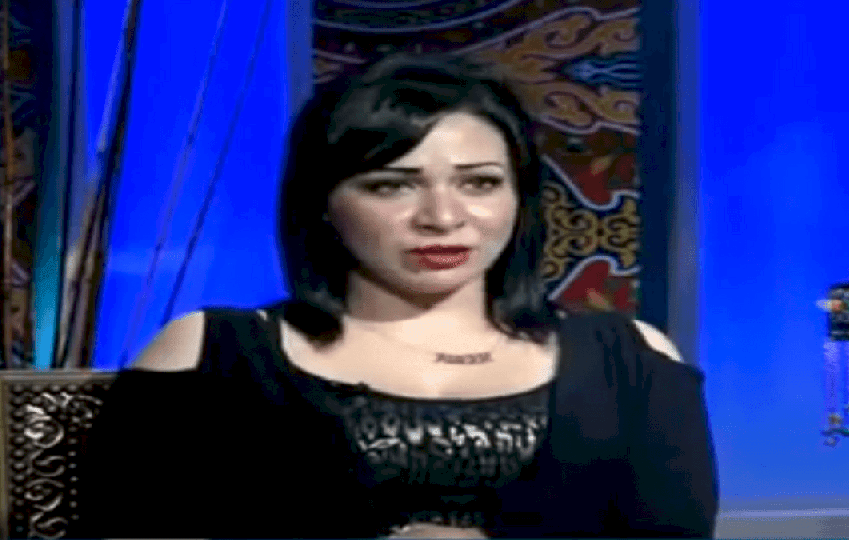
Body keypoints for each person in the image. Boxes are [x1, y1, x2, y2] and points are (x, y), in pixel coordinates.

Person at [76, 52, 718, 539]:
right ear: (322, 203)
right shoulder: (213, 355)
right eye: (392, 186)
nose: (443, 217)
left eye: (480, 183)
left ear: (520, 199)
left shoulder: (631, 360)